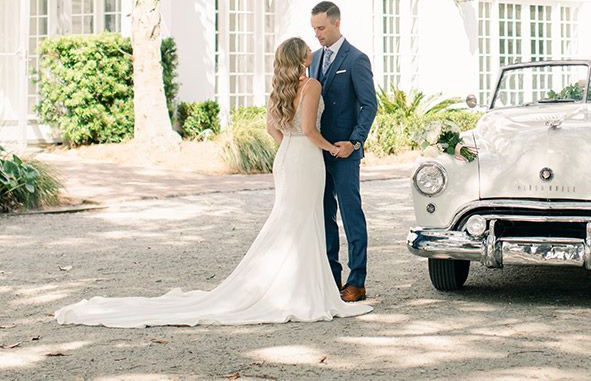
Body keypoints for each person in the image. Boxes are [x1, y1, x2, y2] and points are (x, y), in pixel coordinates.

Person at [54, 37, 372, 327]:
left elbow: (273, 129)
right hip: (306, 159)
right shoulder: (312, 84)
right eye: (307, 48)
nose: (311, 50)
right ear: (302, 57)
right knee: (306, 221)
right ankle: (304, 289)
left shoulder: (280, 86)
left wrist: (289, 147)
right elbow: (309, 130)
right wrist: (333, 147)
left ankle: (293, 284)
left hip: (287, 158)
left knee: (290, 220)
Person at [309, 1, 377, 302]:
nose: (317, 34)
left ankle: (357, 280)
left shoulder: (357, 59)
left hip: (345, 152)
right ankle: (330, 278)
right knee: (324, 216)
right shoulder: (311, 59)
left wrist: (355, 141)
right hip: (315, 151)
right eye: (314, 29)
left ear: (337, 23)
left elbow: (369, 105)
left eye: (321, 28)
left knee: (351, 215)